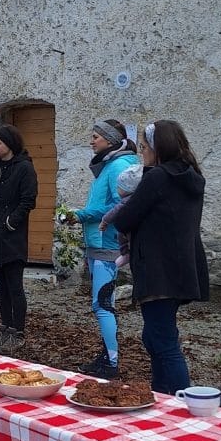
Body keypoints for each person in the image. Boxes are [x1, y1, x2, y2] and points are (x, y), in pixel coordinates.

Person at [115, 120, 209, 394]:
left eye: (144, 147)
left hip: (158, 270)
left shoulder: (157, 177)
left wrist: (143, 176)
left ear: (158, 148)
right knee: (155, 336)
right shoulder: (192, 176)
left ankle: (182, 404)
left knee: (164, 341)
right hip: (182, 268)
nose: (141, 153)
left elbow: (126, 218)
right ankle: (161, 394)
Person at [73, 118, 136, 378]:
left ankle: (111, 363)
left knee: (102, 305)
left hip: (107, 244)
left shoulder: (118, 166)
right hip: (99, 244)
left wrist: (81, 214)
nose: (91, 141)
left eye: (95, 136)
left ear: (110, 140)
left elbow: (118, 205)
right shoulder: (110, 165)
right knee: (104, 303)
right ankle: (107, 354)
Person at [0, 125, 38, 354]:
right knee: (0, 286)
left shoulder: (24, 168)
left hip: (12, 237)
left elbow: (28, 200)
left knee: (14, 286)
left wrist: (11, 222)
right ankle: (5, 328)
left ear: (9, 144)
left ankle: (18, 331)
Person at [98, 163, 144, 268]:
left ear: (127, 189)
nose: (117, 189)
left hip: (131, 232)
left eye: (119, 186)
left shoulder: (126, 201)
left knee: (121, 233)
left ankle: (125, 254)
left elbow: (114, 211)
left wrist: (104, 221)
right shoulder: (137, 198)